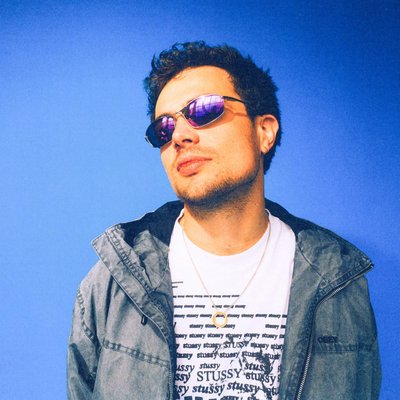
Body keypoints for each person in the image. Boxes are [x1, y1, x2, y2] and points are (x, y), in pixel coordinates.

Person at [67, 41, 381, 400]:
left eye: (204, 110)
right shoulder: (113, 283)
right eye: (163, 129)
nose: (179, 136)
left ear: (264, 132)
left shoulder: (338, 282)